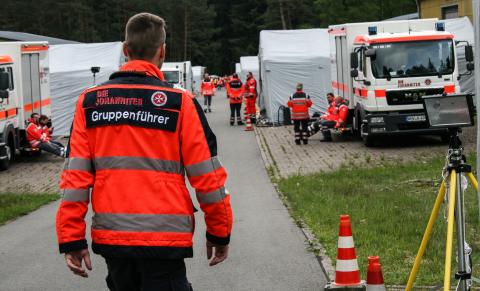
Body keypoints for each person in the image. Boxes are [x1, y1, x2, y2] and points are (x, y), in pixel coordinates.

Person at [55, 13, 233, 291]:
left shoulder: (88, 102)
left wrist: (72, 239)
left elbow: (74, 178)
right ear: (163, 50)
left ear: (125, 51)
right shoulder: (181, 103)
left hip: (113, 237)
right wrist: (219, 232)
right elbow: (208, 178)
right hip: (165, 239)